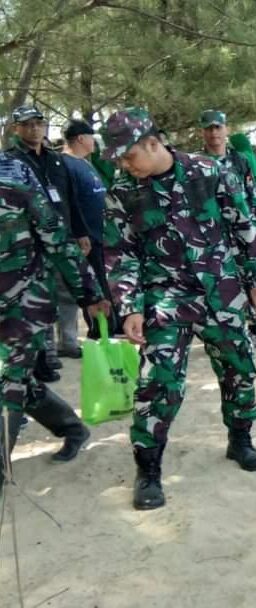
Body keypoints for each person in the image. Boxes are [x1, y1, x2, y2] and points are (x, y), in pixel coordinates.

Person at [101, 107, 256, 510]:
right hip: (166, 298)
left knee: (238, 370)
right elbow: (119, 253)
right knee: (157, 382)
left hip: (222, 289)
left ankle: (240, 439)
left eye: (130, 156)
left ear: (152, 143)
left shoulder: (208, 171)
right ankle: (148, 469)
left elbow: (243, 225)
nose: (126, 165)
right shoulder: (123, 191)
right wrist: (129, 307)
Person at [0, 153, 108, 497]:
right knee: (18, 382)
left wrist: (89, 293)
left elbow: (55, 237)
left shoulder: (15, 173)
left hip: (24, 300)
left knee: (8, 383)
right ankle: (72, 428)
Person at [6, 106, 89, 379]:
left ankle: (68, 341)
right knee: (38, 297)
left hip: (61, 236)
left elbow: (70, 198)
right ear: (16, 128)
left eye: (38, 124)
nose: (34, 129)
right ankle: (45, 354)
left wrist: (80, 232)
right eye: (26, 124)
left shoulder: (56, 160)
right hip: (29, 242)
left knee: (65, 292)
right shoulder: (10, 161)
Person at [199, 109, 256, 349]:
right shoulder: (195, 164)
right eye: (209, 128)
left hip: (243, 233)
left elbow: (253, 198)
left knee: (250, 276)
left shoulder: (239, 161)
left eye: (218, 128)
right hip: (213, 236)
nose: (214, 133)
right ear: (202, 132)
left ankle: (254, 327)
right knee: (218, 283)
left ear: (226, 130)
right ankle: (226, 330)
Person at [62, 120, 116, 340]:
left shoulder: (86, 162)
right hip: (84, 239)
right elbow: (69, 202)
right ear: (81, 138)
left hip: (100, 235)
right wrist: (78, 233)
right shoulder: (65, 164)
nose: (94, 142)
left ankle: (110, 327)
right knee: (90, 286)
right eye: (91, 137)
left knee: (104, 283)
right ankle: (97, 329)